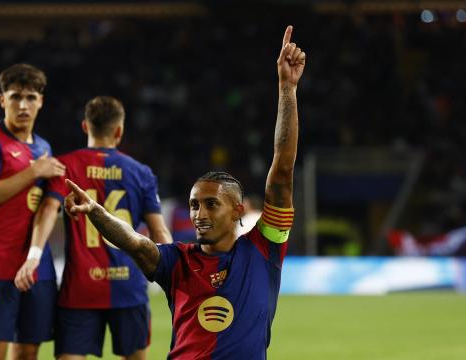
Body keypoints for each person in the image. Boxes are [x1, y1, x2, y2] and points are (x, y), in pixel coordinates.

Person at [62, 26, 305, 359]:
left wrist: (287, 89)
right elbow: (135, 241)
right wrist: (97, 212)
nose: (199, 214)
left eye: (210, 204)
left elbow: (282, 169)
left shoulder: (264, 249)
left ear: (237, 210)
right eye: (193, 205)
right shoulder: (177, 260)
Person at [14, 96, 172, 359]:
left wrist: (33, 256)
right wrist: (173, 276)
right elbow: (159, 232)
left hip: (80, 289)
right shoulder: (140, 172)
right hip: (128, 288)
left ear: (85, 126)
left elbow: (47, 211)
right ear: (119, 130)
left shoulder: (64, 167)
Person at [0, 63, 65, 360]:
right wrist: (34, 171)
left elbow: (46, 206)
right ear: (2, 100)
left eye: (31, 97)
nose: (23, 105)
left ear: (41, 102)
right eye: (15, 97)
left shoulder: (43, 148)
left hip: (38, 267)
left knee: (26, 353)